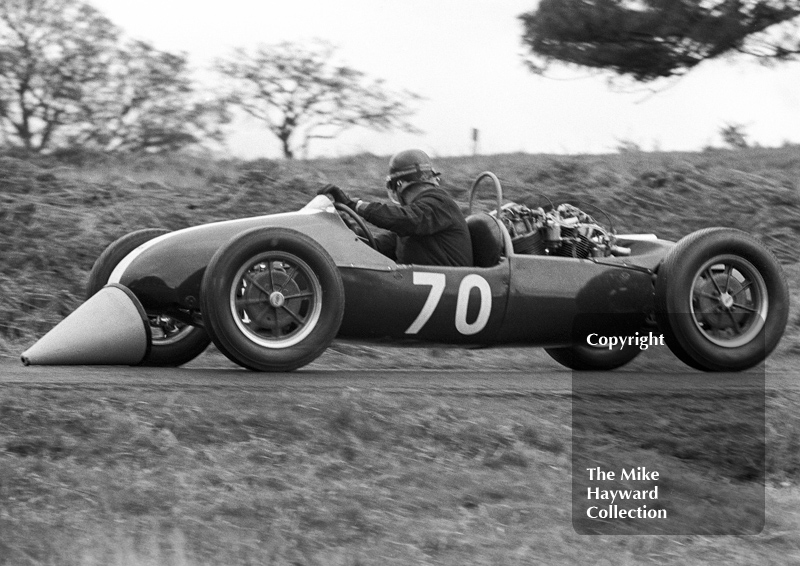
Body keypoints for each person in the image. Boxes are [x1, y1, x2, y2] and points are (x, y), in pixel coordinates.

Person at [318, 149, 473, 267]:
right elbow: (376, 247)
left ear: (399, 184)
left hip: (448, 290)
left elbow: (404, 219)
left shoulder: (439, 204)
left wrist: (353, 205)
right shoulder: (415, 220)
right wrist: (346, 227)